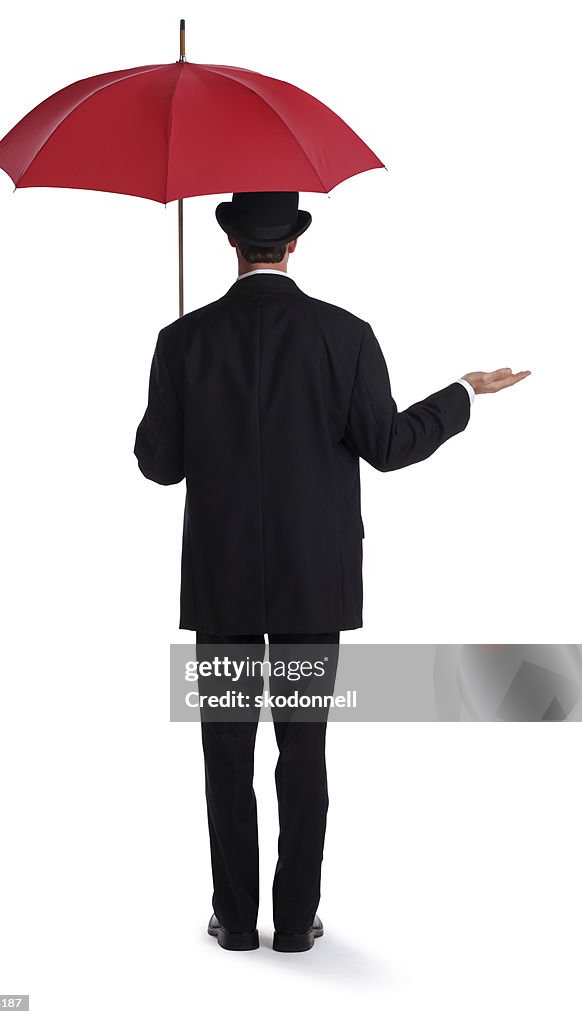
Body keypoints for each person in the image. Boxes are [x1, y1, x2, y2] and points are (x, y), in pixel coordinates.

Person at [134, 191, 530, 952]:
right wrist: (460, 395)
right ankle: (293, 923)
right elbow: (389, 444)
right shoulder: (344, 336)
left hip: (220, 586)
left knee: (225, 752)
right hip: (314, 583)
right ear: (293, 247)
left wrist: (177, 381)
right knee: (303, 751)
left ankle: (236, 919)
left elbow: (159, 465)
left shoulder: (183, 339)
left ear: (231, 246)